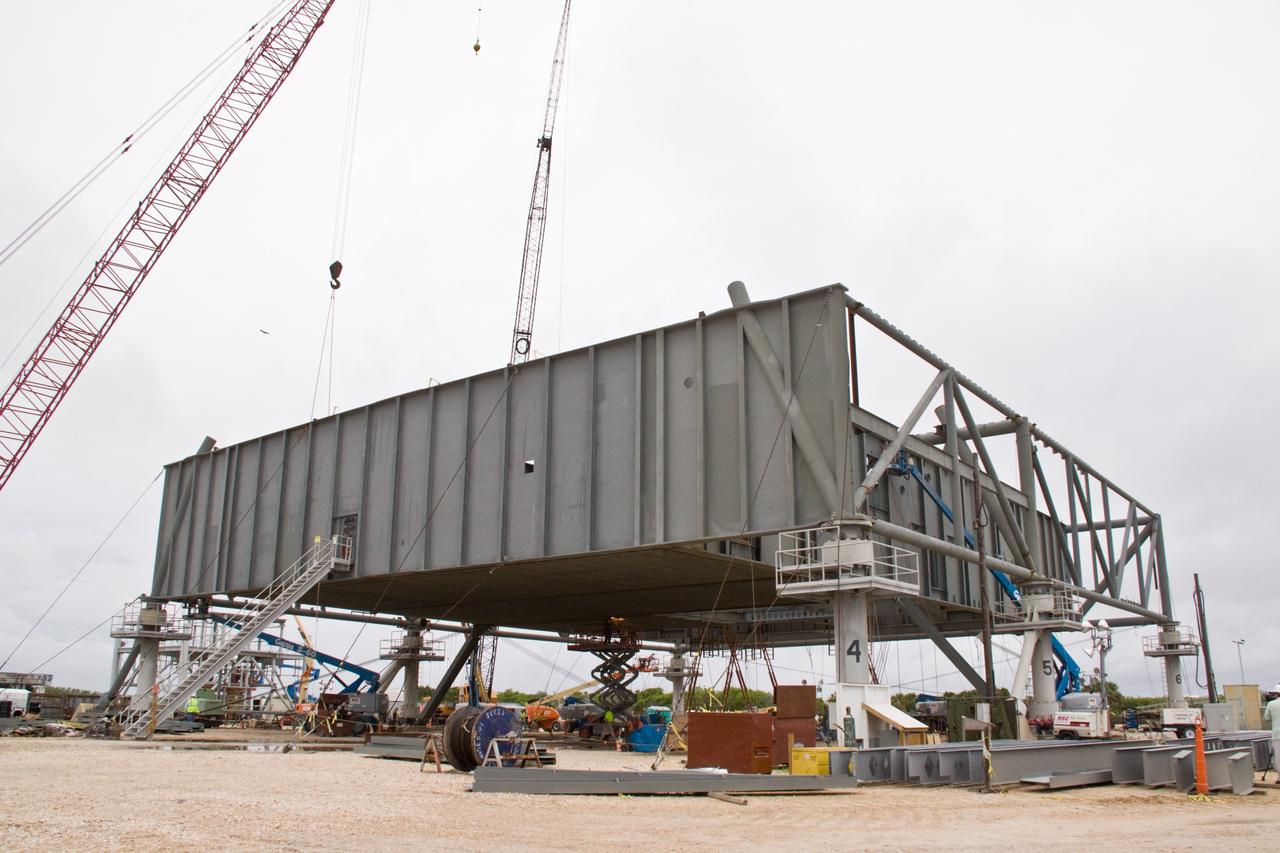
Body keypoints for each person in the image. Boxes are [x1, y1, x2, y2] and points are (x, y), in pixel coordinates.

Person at [1264, 685, 1280, 777]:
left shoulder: (1271, 704)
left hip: (1277, 734)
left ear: (1276, 694)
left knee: (1278, 756)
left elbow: (1267, 717)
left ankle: (1279, 777)